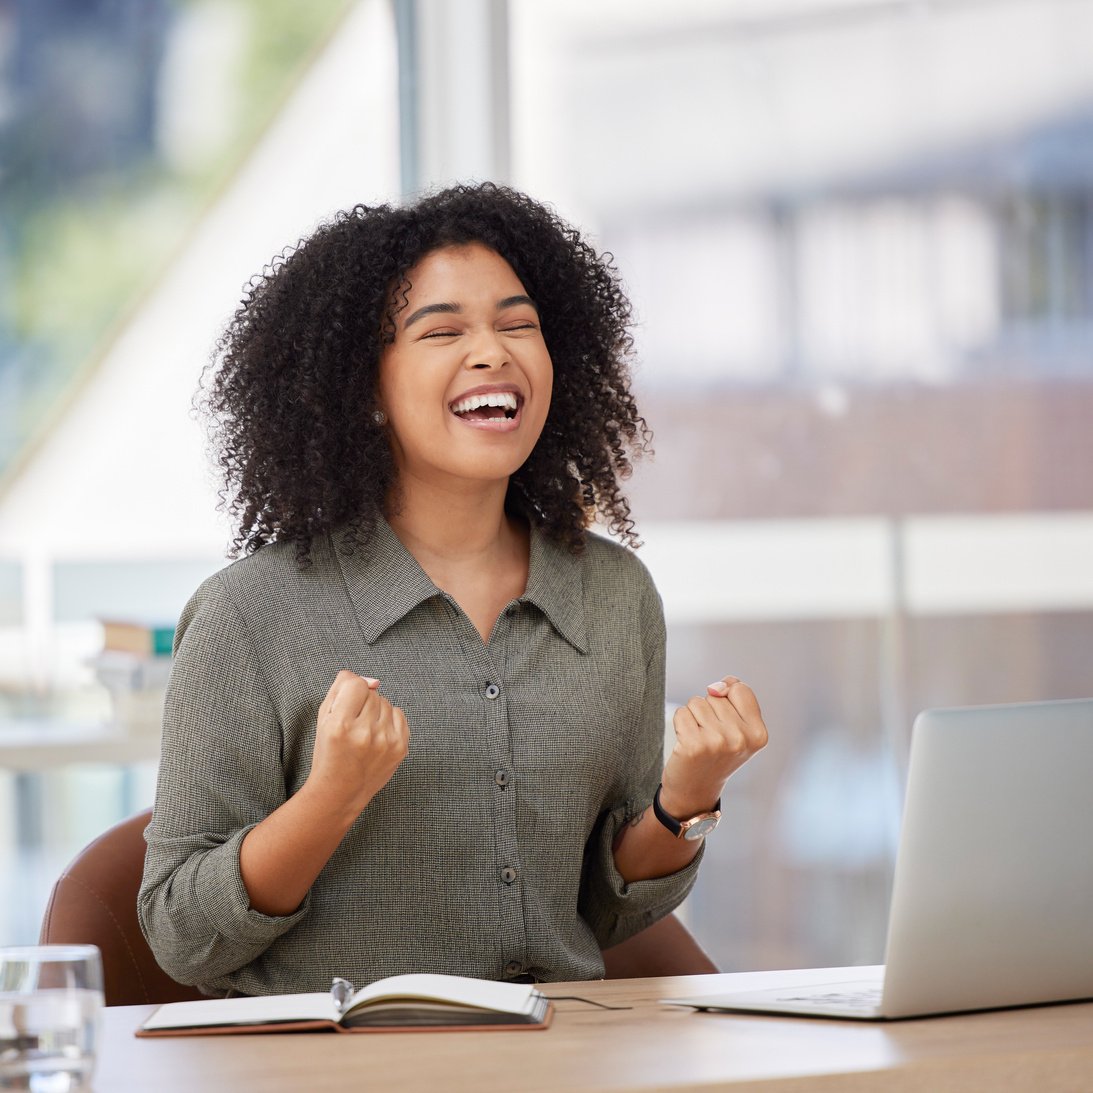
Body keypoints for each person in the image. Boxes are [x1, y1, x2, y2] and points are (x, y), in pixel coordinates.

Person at [138, 182, 767, 997]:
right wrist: (331, 797)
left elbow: (599, 915)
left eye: (518, 324)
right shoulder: (247, 616)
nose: (491, 352)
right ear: (362, 388)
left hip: (561, 1058)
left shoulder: (615, 596)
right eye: (443, 330)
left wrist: (686, 799)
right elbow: (179, 935)